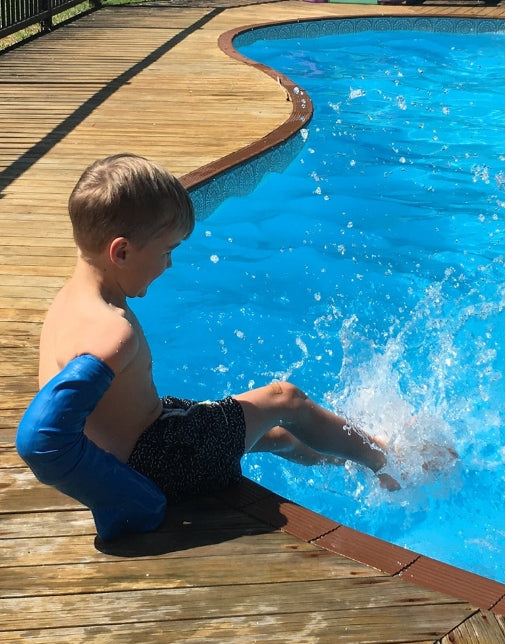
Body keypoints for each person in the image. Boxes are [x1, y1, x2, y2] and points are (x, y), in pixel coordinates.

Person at [35, 153, 399, 512]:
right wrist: (126, 503)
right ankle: (384, 458)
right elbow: (40, 437)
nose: (170, 263)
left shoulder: (65, 304)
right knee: (284, 400)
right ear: (122, 252)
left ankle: (344, 458)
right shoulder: (112, 333)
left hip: (144, 449)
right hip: (161, 461)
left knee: (271, 434)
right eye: (166, 251)